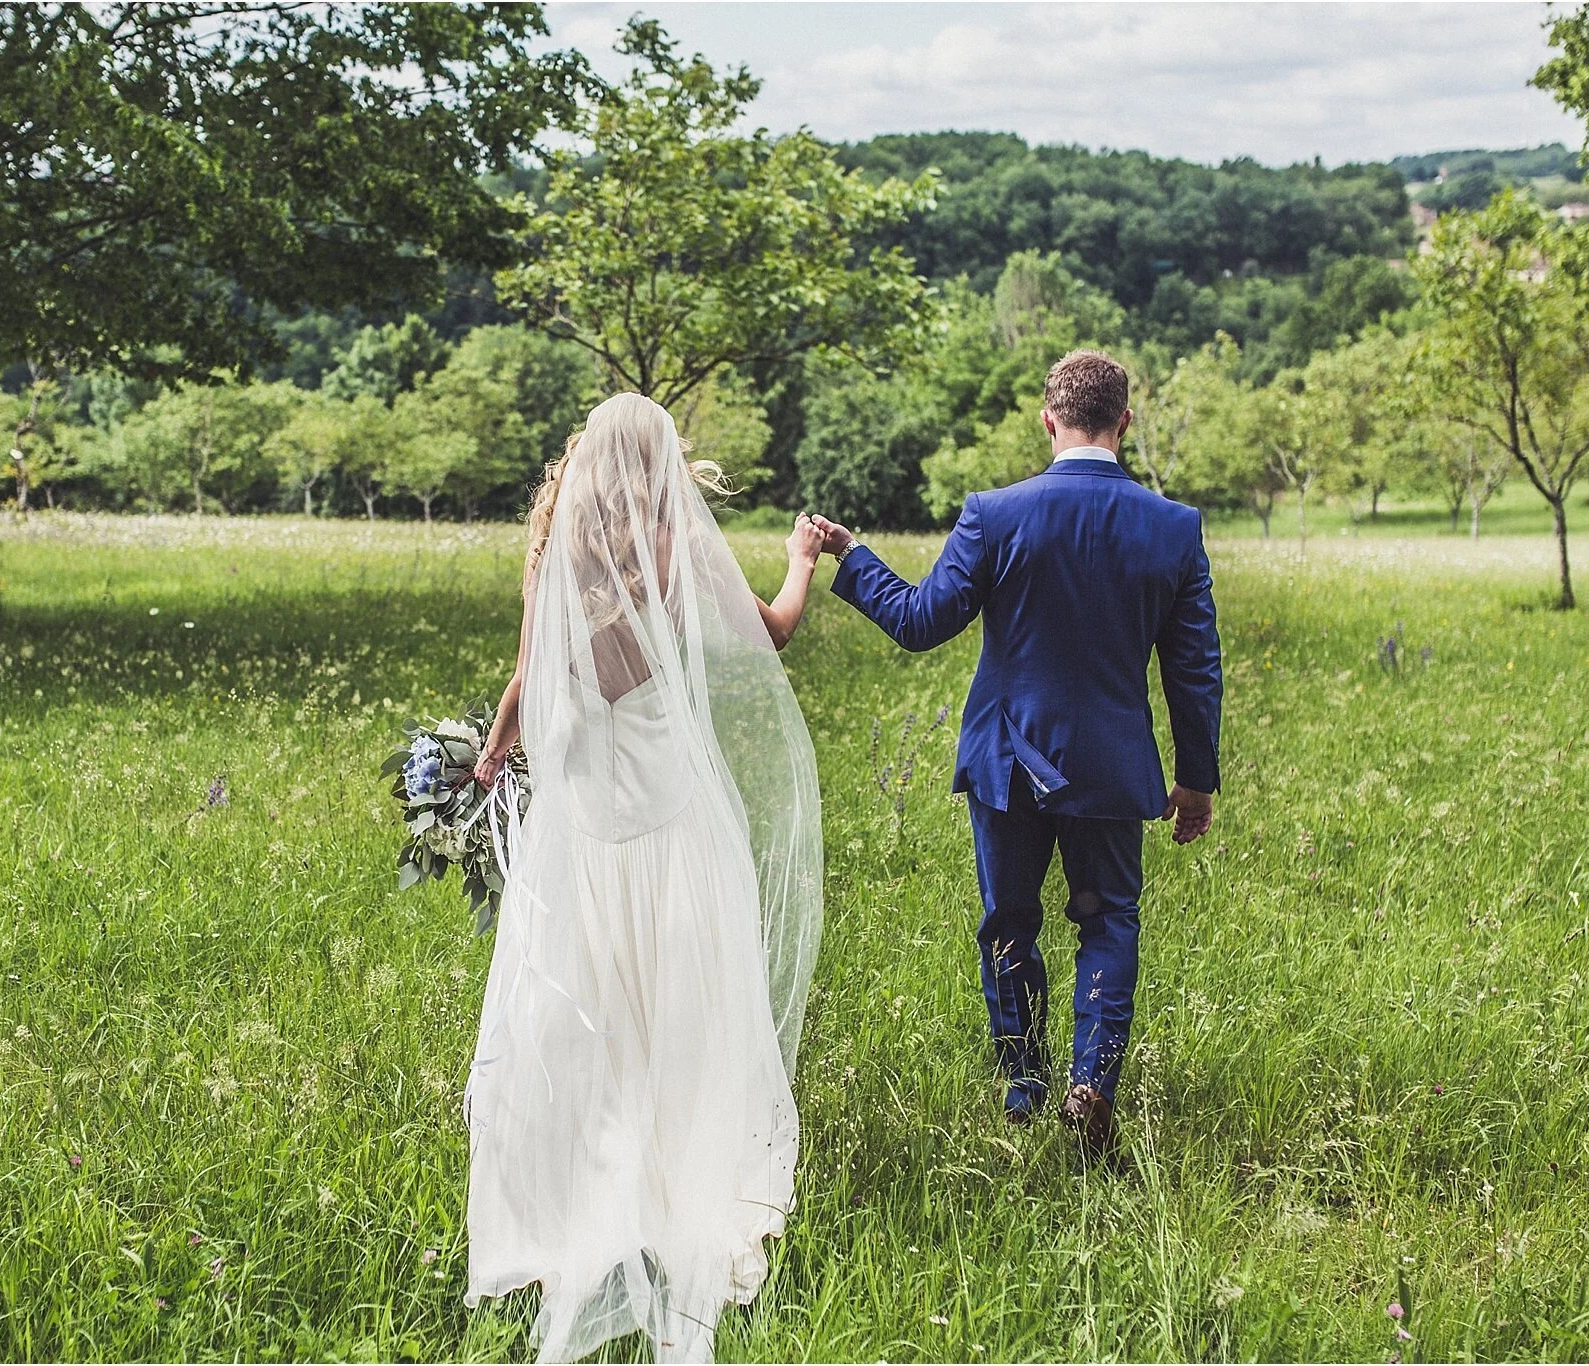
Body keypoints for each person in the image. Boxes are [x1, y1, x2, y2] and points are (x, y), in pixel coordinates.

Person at [464, 392, 826, 1363]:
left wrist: (493, 750)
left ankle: (587, 1193)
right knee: (689, 1016)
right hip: (674, 825)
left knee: (584, 1017)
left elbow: (527, 668)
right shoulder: (679, 547)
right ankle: (679, 1188)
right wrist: (800, 557)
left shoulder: (555, 546)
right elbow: (772, 630)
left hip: (582, 831)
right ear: (663, 461)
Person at [811, 348, 1222, 1161]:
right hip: (1111, 765)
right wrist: (1197, 781)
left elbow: (922, 621)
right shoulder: (1173, 528)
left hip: (1008, 762)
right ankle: (1092, 1082)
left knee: (1009, 921)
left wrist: (853, 558)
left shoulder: (993, 513)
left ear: (1048, 419)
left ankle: (1023, 1084)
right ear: (1124, 423)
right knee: (1109, 922)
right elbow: (1193, 665)